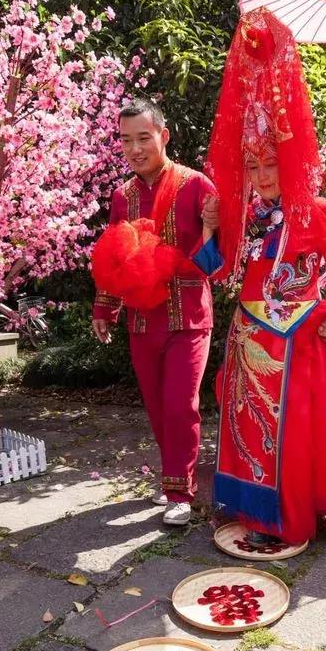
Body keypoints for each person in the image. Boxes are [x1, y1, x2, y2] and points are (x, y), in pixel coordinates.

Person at [196, 8, 326, 546]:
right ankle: (252, 511)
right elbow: (214, 268)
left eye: (271, 163)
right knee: (248, 430)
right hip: (249, 339)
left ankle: (290, 517)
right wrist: (210, 230)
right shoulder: (243, 214)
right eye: (254, 165)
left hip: (298, 344)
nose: (263, 175)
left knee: (291, 437)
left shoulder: (317, 212)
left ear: (289, 161)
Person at [91, 99, 216, 526]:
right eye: (126, 140)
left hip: (189, 315)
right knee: (158, 407)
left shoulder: (196, 185)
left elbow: (218, 259)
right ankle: (173, 478)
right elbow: (112, 258)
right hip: (142, 318)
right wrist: (104, 308)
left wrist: (214, 226)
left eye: (143, 138)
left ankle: (180, 492)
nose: (135, 148)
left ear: (163, 136)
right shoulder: (121, 197)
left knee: (181, 404)